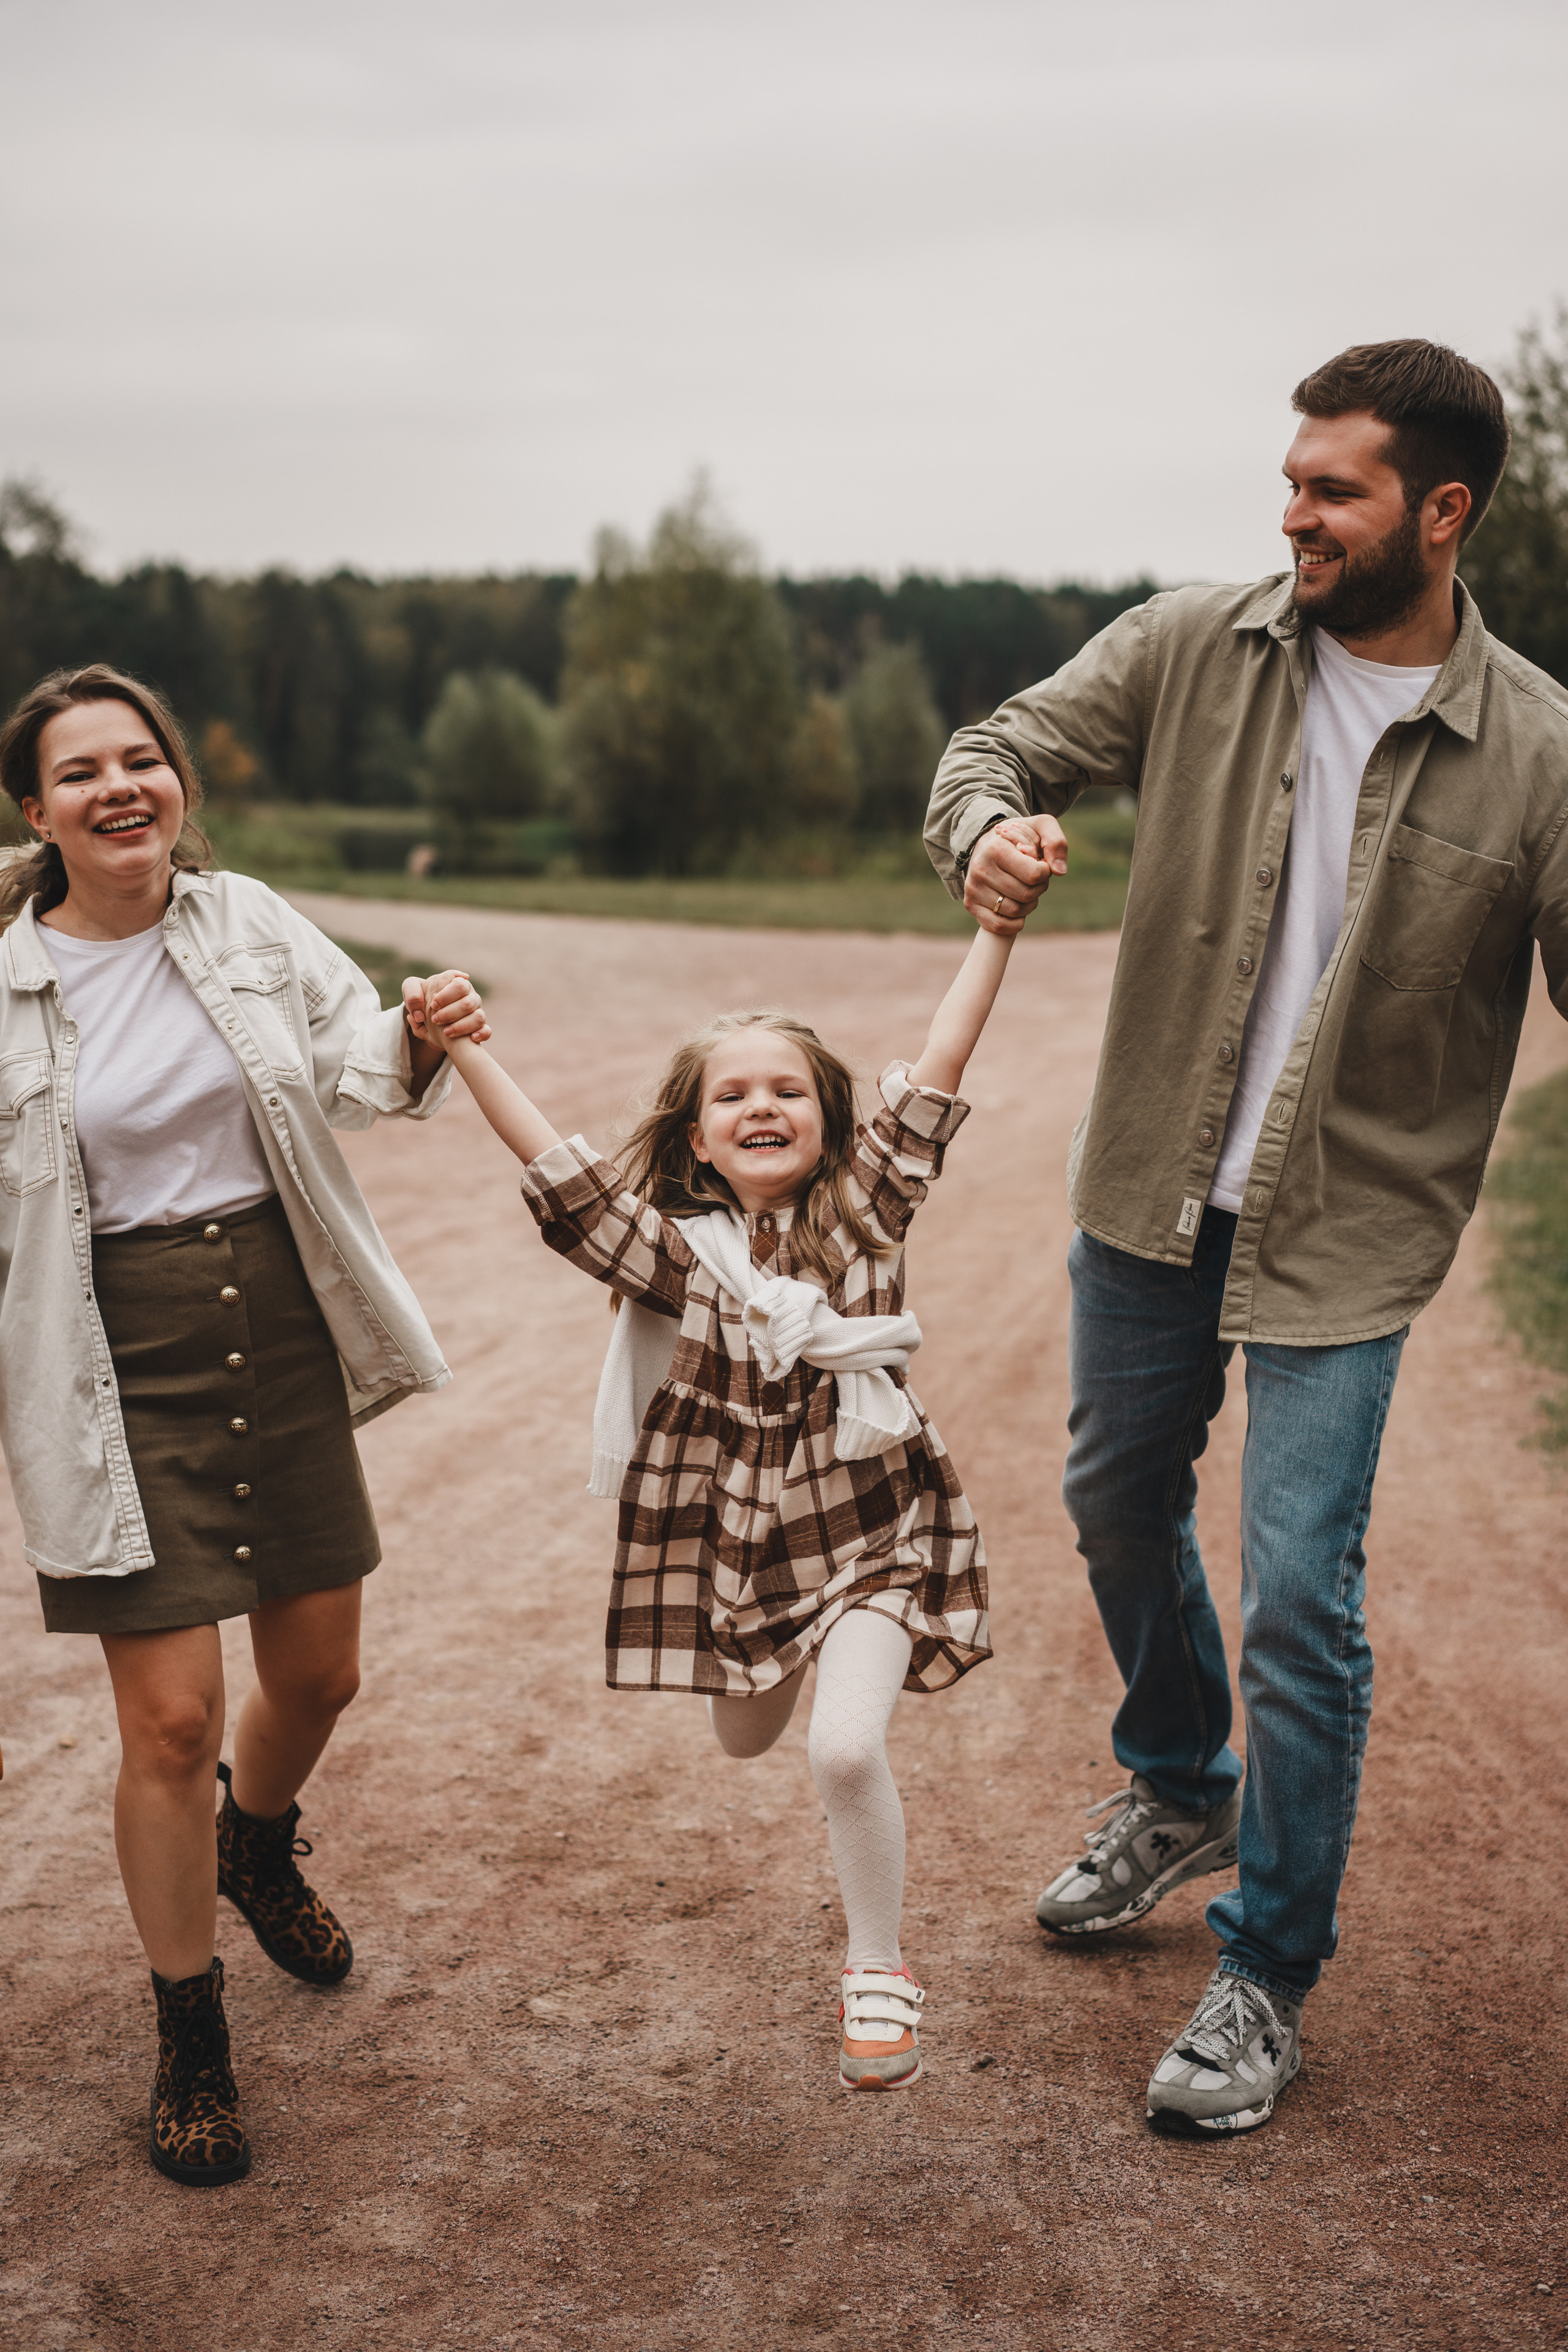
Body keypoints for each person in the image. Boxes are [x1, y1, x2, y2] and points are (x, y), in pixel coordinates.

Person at [925, 339, 1568, 2137]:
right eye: (1291, 480)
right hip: (1150, 1187)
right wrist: (984, 828)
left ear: (1440, 512)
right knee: (1116, 1501)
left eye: (1335, 488)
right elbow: (999, 746)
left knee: (1304, 1596)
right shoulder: (1194, 648)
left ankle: (1264, 1966)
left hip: (1351, 1238)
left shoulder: (1540, 755)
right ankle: (1177, 1779)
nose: (1293, 512)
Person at [0, 664, 489, 2186]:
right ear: (37, 812)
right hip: (104, 1355)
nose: (119, 789)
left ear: (178, 787)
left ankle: (257, 1842)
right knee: (168, 1721)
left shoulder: (250, 922)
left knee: (320, 1673)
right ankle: (190, 2035)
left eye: (141, 762)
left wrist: (420, 1031)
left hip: (270, 1326)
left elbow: (362, 1068)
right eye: (82, 773)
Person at [411, 919, 1038, 2090]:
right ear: (697, 1140)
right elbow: (564, 1178)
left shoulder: (866, 1211)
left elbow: (943, 1065)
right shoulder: (677, 1258)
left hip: (872, 1526)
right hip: (741, 1549)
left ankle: (877, 1971)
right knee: (747, 1736)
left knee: (845, 1753)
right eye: (734, 1094)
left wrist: (994, 930)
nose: (764, 1106)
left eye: (789, 1090)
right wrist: (465, 1047)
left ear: (830, 1122)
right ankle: (783, 1660)